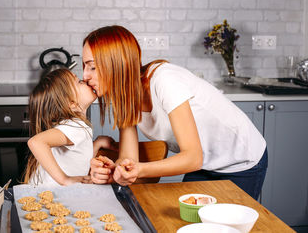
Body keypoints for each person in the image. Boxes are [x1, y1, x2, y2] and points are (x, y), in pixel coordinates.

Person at [82, 25, 267, 200]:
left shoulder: (165, 81)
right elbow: (128, 160)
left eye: (92, 67)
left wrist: (138, 170)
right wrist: (116, 172)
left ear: (116, 63)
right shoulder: (124, 98)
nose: (85, 76)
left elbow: (193, 158)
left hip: (240, 161)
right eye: (84, 66)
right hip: (203, 164)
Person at [23, 68, 115, 186]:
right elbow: (36, 142)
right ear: (71, 103)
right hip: (49, 196)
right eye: (79, 82)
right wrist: (65, 179)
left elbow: (77, 160)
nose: (85, 81)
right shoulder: (75, 126)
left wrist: (97, 144)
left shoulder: (74, 126)